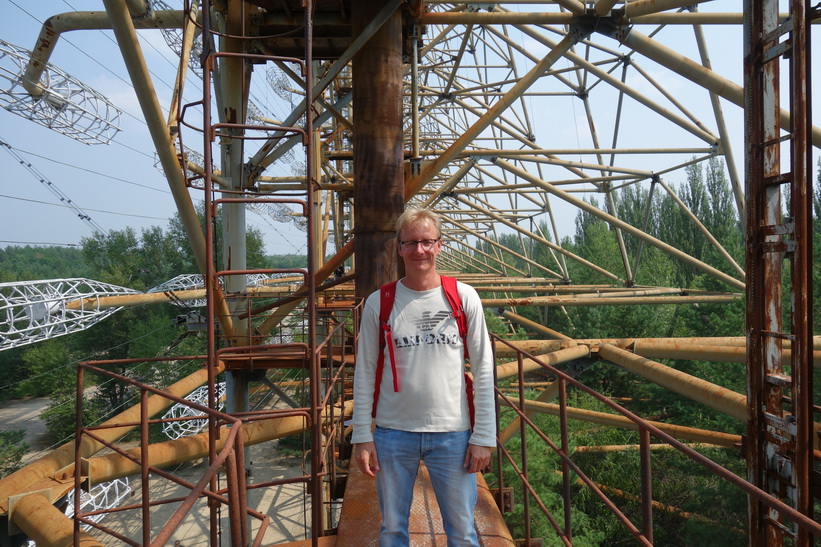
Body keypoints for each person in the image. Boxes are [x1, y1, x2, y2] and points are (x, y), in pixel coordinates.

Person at [351, 207, 496, 546]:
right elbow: (365, 371)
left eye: (427, 242)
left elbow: (484, 369)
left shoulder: (463, 297)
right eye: (411, 243)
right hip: (392, 434)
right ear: (399, 248)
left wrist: (484, 436)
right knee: (392, 530)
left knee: (462, 532)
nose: (420, 250)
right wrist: (361, 434)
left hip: (454, 434)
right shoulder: (379, 303)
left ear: (440, 245)